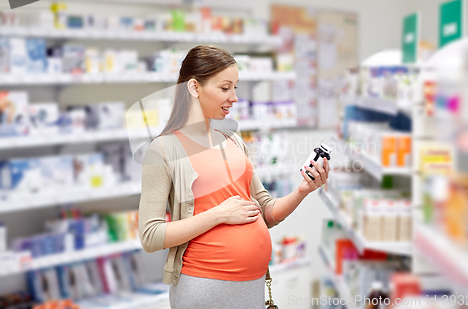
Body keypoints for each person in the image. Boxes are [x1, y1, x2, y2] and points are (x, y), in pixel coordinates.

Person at [138, 45, 329, 309]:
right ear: (194, 87)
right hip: (205, 288)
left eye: (235, 88)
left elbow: (266, 212)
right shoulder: (163, 149)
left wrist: (303, 190)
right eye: (225, 88)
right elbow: (150, 235)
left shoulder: (233, 140)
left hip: (252, 285)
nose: (234, 98)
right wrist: (219, 214)